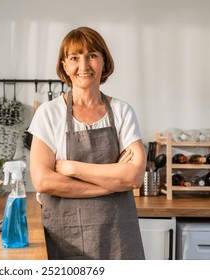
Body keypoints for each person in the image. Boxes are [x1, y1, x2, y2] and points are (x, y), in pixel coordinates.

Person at [28, 26, 146, 260]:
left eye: (92, 55)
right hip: (65, 238)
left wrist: (73, 168)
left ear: (104, 62)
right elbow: (43, 181)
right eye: (74, 57)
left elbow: (133, 177)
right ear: (64, 66)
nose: (83, 66)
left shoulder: (122, 112)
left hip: (118, 236)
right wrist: (111, 183)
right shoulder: (48, 114)